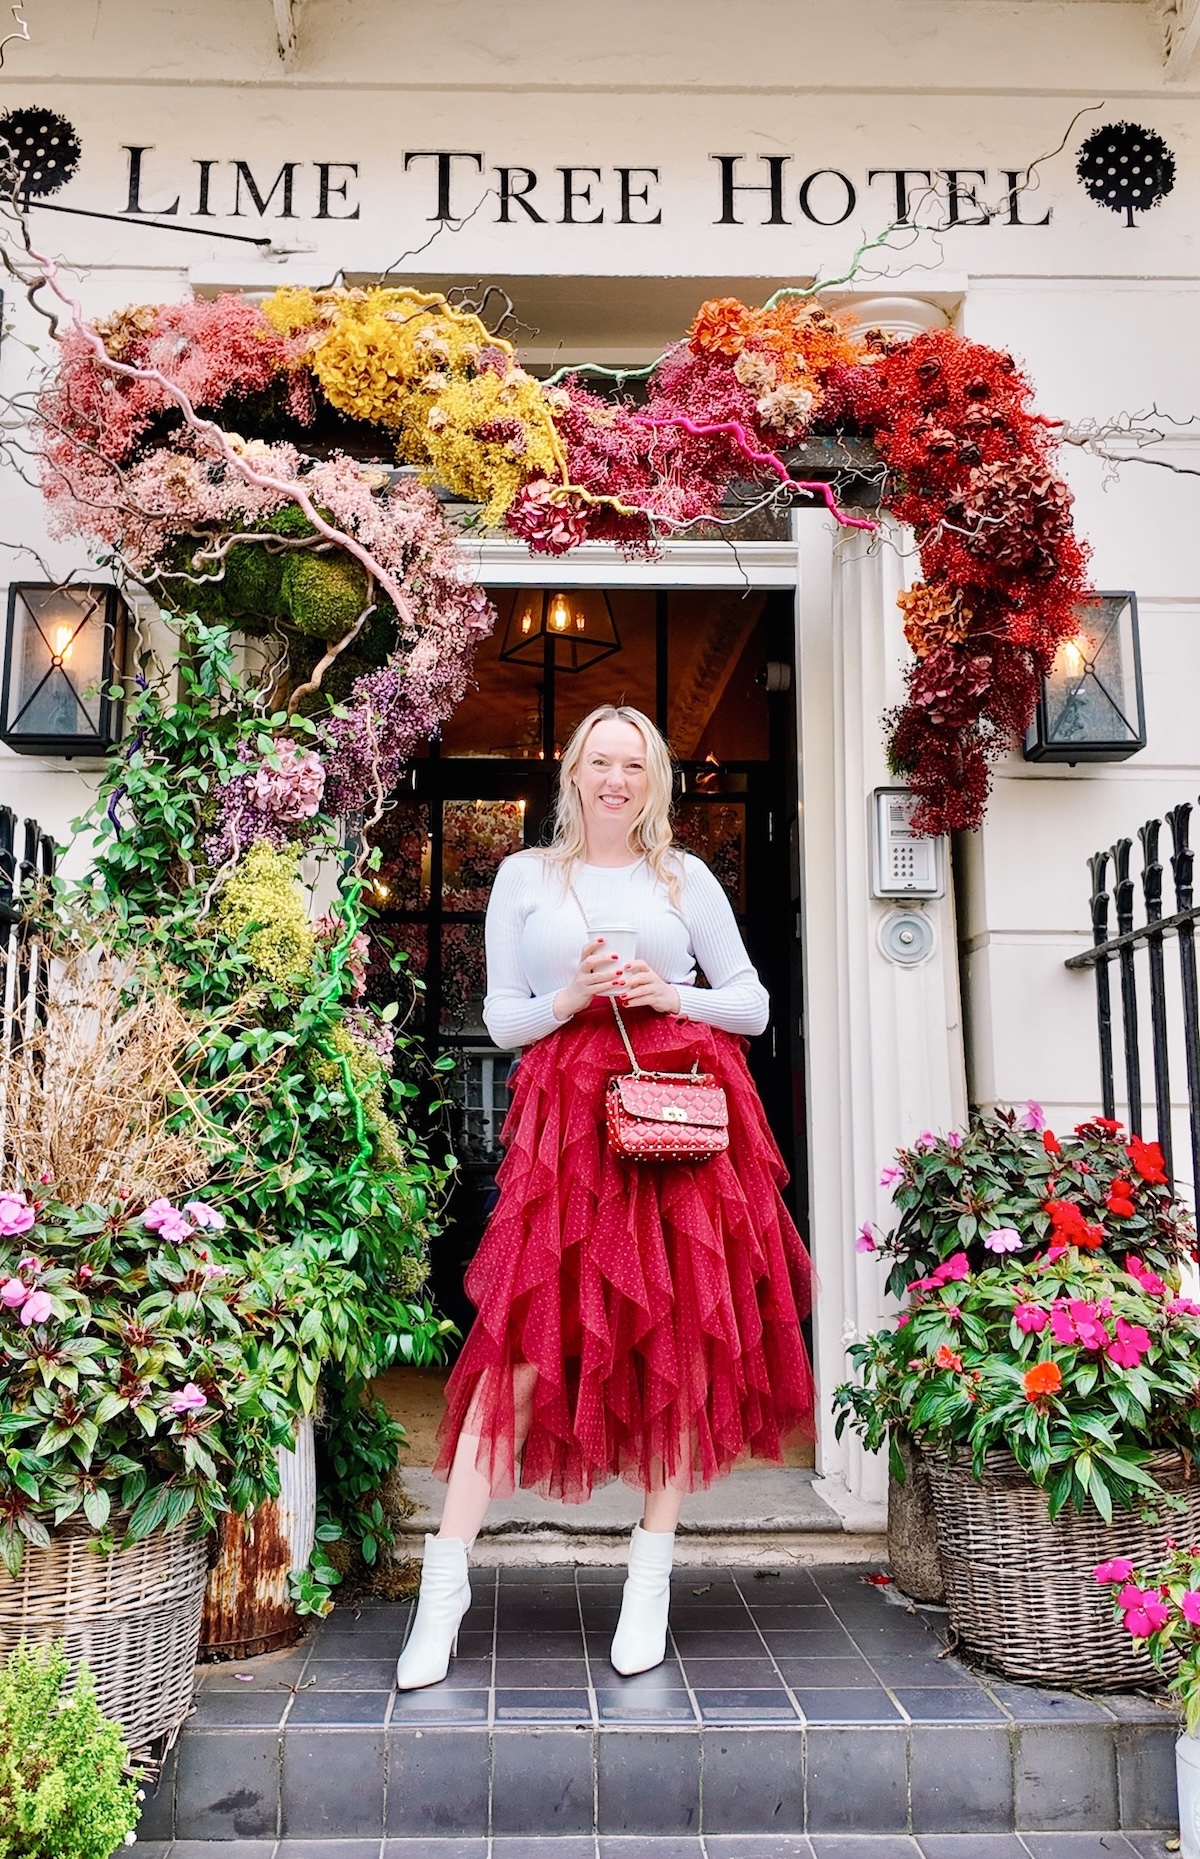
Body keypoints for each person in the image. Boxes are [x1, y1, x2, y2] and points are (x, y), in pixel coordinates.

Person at [395, 703, 815, 1690]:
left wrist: (671, 995)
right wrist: (573, 1000)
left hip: (675, 1130)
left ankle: (650, 1578)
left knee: (671, 1339)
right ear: (573, 774)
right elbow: (501, 1018)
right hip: (567, 1137)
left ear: (654, 780)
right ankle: (443, 1588)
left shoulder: (686, 878)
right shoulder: (523, 876)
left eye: (635, 763)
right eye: (600, 760)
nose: (616, 778)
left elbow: (751, 1001)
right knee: (522, 1344)